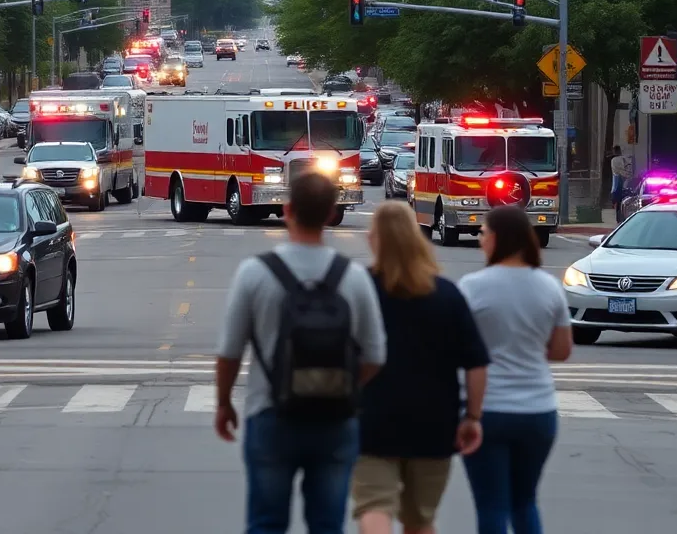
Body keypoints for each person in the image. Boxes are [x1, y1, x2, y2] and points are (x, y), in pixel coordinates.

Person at [216, 171, 386, 534]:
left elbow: (229, 351)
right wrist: (340, 385)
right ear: (329, 214)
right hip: (335, 420)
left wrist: (223, 402)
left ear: (287, 209)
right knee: (327, 524)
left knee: (266, 522)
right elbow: (375, 355)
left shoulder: (255, 273)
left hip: (271, 412)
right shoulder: (353, 277)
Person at [353, 201, 490, 534]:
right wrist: (472, 417)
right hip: (434, 422)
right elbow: (476, 363)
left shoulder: (360, 289)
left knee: (373, 506)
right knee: (420, 518)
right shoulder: (446, 294)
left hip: (372, 417)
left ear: (376, 239)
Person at [458, 206, 572, 534]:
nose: (480, 240)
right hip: (538, 411)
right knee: (525, 501)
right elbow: (562, 350)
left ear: (496, 238)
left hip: (488, 410)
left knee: (491, 504)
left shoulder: (472, 287)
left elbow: (462, 350)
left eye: (482, 233)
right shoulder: (548, 286)